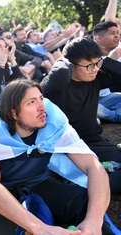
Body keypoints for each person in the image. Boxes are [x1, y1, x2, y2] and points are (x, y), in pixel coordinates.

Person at [0, 79, 110, 234]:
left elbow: (93, 166)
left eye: (41, 98)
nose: (42, 107)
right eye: (31, 102)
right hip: (4, 192)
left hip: (40, 185)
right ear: (13, 113)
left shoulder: (54, 122)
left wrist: (94, 220)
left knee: (84, 201)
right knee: (0, 223)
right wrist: (40, 228)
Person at [41, 37, 121, 194]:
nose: (95, 69)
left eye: (97, 64)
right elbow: (61, 74)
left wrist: (101, 60)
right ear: (71, 65)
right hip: (65, 146)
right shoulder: (55, 84)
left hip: (92, 141)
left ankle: (93, 185)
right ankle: (91, 186)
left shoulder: (95, 78)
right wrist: (62, 61)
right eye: (89, 66)